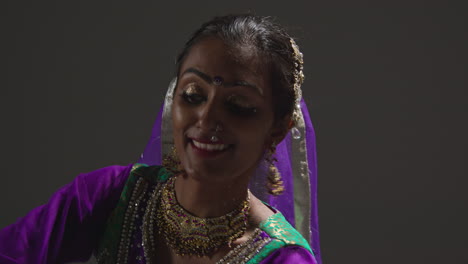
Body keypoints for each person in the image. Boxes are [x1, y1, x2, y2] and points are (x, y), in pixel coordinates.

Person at [0, 14, 321, 264]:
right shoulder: (114, 195)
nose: (206, 119)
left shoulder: (283, 258)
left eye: (238, 106)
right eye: (193, 95)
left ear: (277, 129)